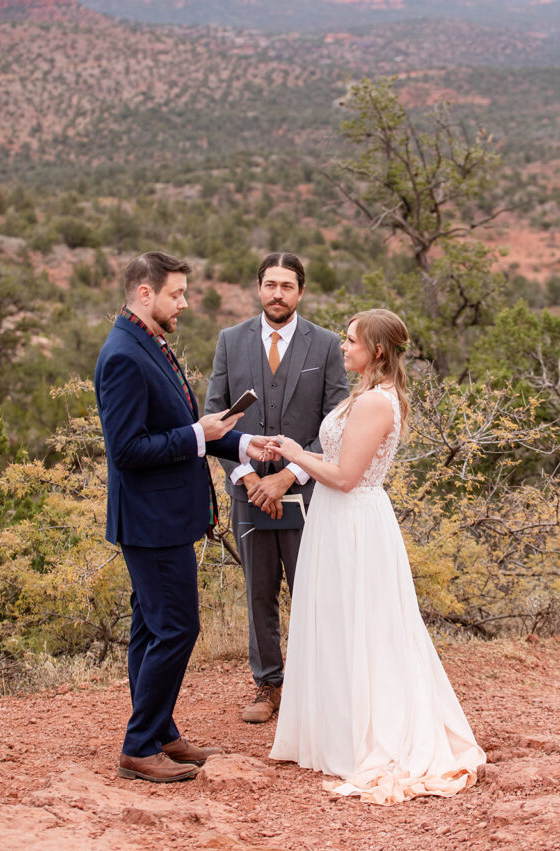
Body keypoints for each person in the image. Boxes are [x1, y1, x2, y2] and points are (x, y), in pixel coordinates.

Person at [267, 308, 486, 804]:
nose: (343, 347)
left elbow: (345, 477)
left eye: (351, 341)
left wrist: (293, 454)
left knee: (363, 625)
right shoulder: (366, 395)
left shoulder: (374, 404)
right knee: (339, 623)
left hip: (354, 522)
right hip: (337, 518)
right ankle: (334, 731)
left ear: (377, 350)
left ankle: (368, 735)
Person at [94, 251, 271, 784]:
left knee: (151, 629)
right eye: (177, 294)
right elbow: (127, 449)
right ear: (145, 294)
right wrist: (202, 436)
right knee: (176, 627)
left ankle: (163, 732)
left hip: (162, 516)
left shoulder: (149, 343)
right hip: (150, 521)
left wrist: (241, 443)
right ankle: (138, 746)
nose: (185, 303)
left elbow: (187, 427)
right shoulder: (124, 354)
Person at [204, 252, 349, 724]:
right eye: (270, 284)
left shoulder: (326, 345)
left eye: (287, 286)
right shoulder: (231, 341)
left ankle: (316, 689)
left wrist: (289, 474)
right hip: (248, 492)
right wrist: (247, 476)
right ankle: (269, 686)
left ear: (301, 291)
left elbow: (337, 424)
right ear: (259, 288)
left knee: (312, 591)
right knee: (259, 592)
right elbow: (215, 420)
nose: (278, 293)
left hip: (307, 492)